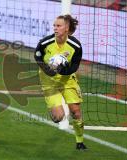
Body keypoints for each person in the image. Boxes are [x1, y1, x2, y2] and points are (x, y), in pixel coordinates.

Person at [34, 14, 87, 150]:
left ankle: (80, 141)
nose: (55, 28)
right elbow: (37, 55)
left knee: (76, 111)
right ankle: (55, 112)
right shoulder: (45, 42)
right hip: (48, 80)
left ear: (66, 28)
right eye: (54, 26)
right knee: (59, 117)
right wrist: (48, 70)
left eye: (58, 26)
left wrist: (61, 69)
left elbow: (75, 66)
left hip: (67, 80)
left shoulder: (75, 46)